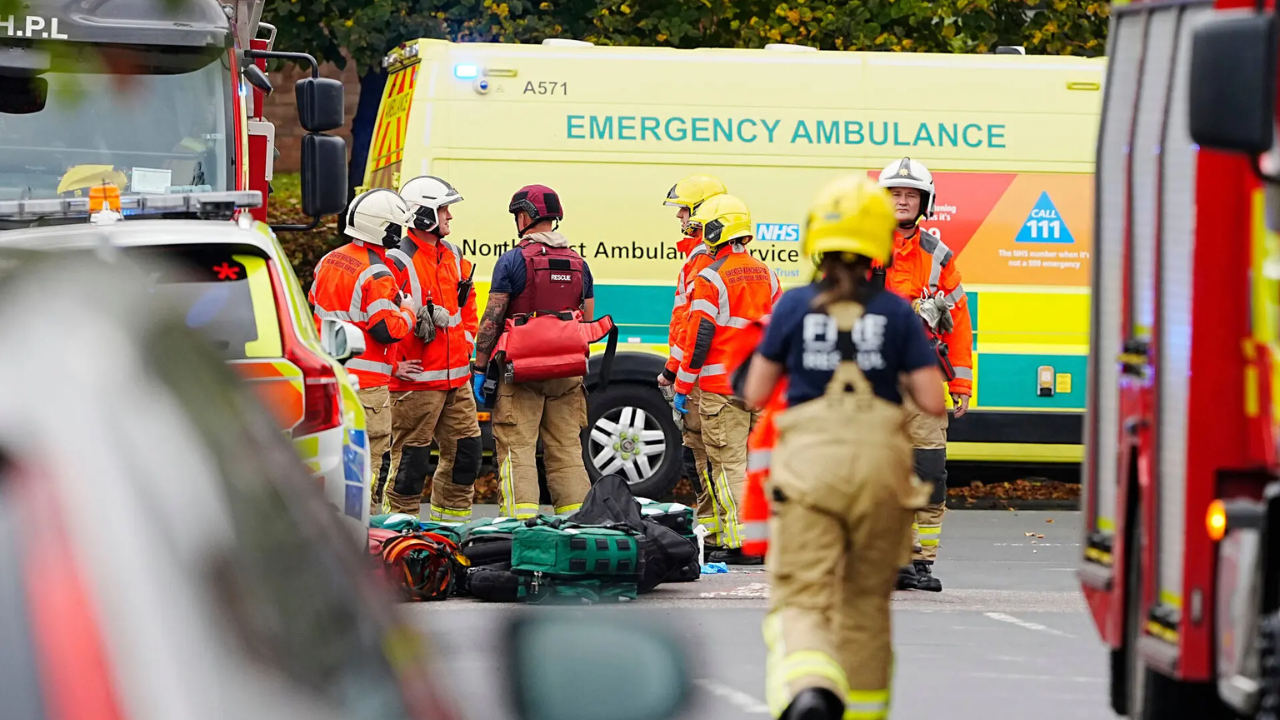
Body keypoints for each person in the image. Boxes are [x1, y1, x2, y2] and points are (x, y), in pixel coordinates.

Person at [741, 175, 945, 720]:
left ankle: (810, 688)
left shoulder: (795, 307)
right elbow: (932, 399)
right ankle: (863, 710)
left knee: (803, 598)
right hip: (882, 472)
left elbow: (756, 391)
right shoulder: (898, 312)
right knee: (866, 607)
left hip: (809, 469)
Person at [874, 157, 973, 593]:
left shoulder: (938, 257)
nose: (902, 200)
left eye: (910, 194)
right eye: (894, 193)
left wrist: (962, 384)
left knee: (928, 471)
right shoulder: (860, 252)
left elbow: (960, 325)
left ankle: (921, 563)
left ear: (924, 202)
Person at [471, 184, 594, 519]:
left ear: (524, 216)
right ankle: (578, 525)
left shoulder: (512, 261)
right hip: (567, 373)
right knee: (567, 449)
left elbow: (492, 319)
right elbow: (589, 319)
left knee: (517, 448)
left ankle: (520, 526)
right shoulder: (579, 264)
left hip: (520, 370)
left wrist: (480, 368)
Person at [673, 193, 780, 565]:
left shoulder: (710, 277)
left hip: (721, 388)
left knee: (728, 464)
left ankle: (743, 543)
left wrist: (683, 387)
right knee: (756, 465)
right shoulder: (768, 273)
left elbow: (698, 337)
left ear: (717, 231)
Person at [310, 188, 419, 516]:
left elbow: (316, 306)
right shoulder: (378, 273)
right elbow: (386, 329)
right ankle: (362, 527)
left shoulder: (330, 259)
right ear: (383, 228)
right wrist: (409, 312)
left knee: (332, 458)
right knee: (370, 460)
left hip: (330, 376)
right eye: (396, 227)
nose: (400, 234)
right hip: (368, 388)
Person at [382, 175, 482, 521]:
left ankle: (450, 532)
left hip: (457, 380)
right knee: (410, 466)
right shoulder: (397, 260)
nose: (450, 217)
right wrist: (395, 365)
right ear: (423, 215)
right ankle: (397, 536)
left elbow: (467, 308)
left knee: (467, 456)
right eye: (444, 210)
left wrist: (467, 345)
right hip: (416, 384)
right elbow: (378, 319)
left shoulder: (453, 254)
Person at [658, 173, 728, 550]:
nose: (680, 218)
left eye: (684, 211)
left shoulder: (703, 259)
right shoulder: (703, 256)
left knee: (704, 457)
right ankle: (714, 532)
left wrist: (675, 372)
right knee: (703, 457)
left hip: (701, 376)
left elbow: (694, 325)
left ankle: (719, 534)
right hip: (699, 373)